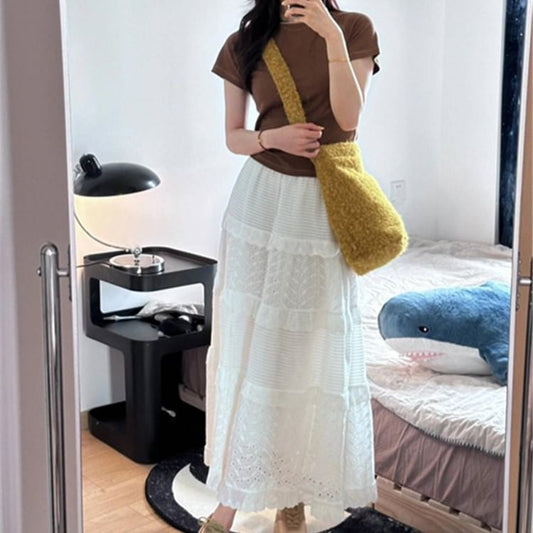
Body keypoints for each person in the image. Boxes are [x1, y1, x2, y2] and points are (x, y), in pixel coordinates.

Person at [198, 1, 381, 531]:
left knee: (309, 353)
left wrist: (329, 34)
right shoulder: (245, 41)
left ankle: (293, 493)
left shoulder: (353, 29)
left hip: (322, 208)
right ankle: (230, 502)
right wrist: (271, 138)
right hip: (259, 206)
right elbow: (233, 136)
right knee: (251, 349)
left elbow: (349, 119)